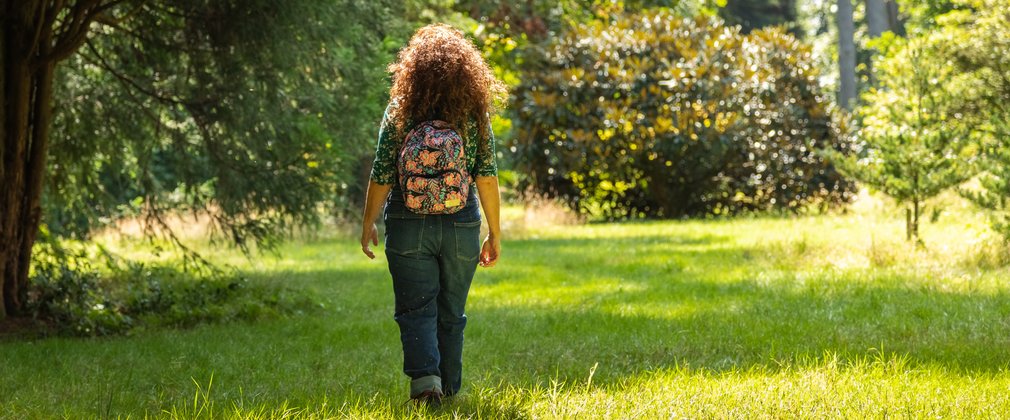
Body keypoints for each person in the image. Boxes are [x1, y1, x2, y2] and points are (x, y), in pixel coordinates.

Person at [358, 23, 505, 405]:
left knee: (415, 308)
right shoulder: (473, 112)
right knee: (451, 311)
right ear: (466, 71)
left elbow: (382, 172)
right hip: (461, 222)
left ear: (412, 69)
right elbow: (486, 176)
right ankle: (450, 390)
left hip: (408, 221)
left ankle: (427, 386)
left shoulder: (399, 110)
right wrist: (494, 232)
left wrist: (368, 222)